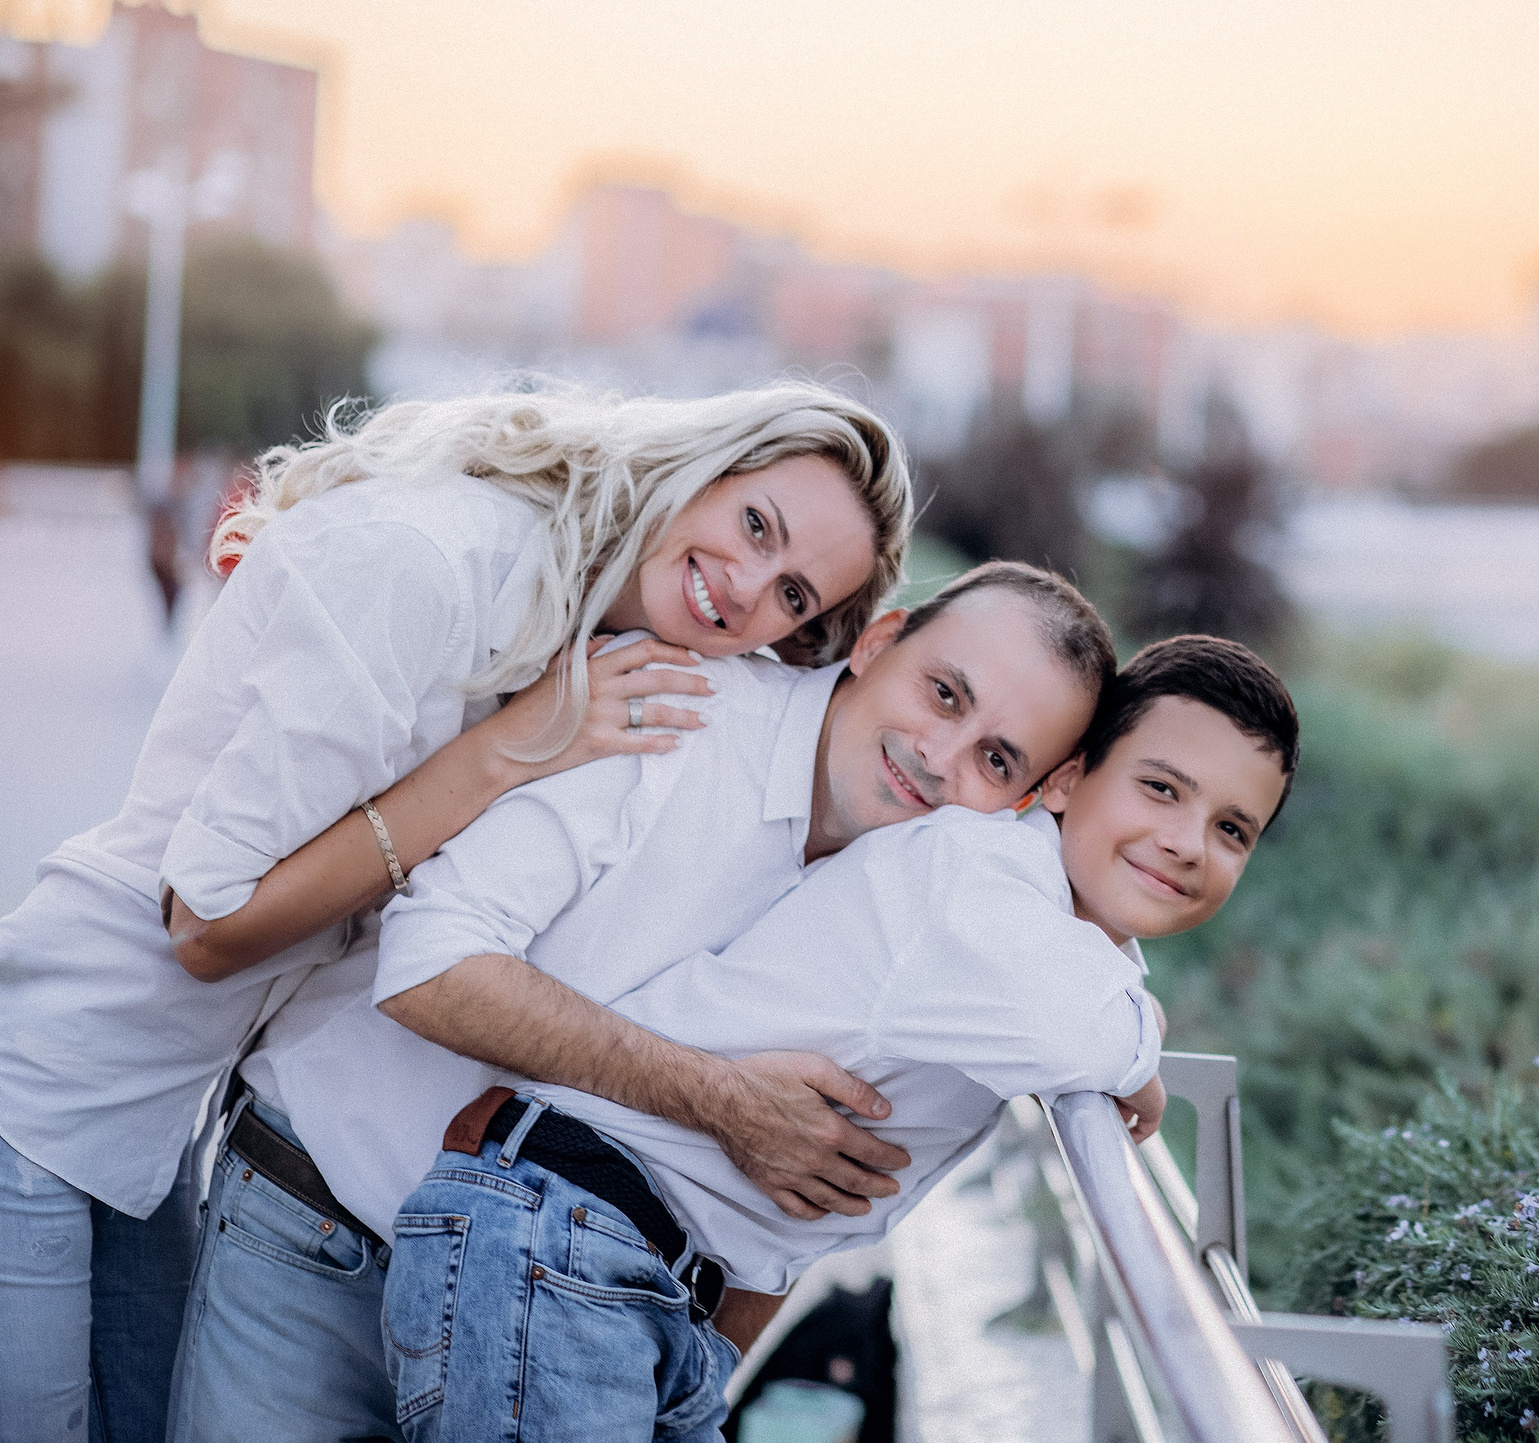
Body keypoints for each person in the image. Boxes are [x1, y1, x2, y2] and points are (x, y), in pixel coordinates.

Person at [0, 381, 910, 1443]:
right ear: (700, 467)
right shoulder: (434, 565)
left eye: (795, 597)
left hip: (151, 1130)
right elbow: (205, 926)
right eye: (755, 525)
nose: (749, 588)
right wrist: (507, 752)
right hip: (47, 1085)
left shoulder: (586, 622)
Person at [161, 563, 1115, 1442]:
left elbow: (788, 1206)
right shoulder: (679, 712)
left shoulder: (939, 909)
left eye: (997, 760)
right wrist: (718, 1098)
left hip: (568, 1326)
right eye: (943, 693)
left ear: (1034, 797)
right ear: (880, 641)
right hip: (325, 1225)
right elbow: (430, 963)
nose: (941, 755)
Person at [383, 635, 1297, 1440]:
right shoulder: (975, 881)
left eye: (1231, 828)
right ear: (1065, 778)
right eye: (1161, 788)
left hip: (625, 1266)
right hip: (568, 1241)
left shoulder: (1035, 921)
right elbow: (1084, 1031)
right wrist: (1145, 1045)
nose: (1187, 842)